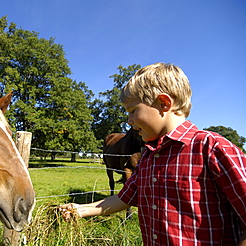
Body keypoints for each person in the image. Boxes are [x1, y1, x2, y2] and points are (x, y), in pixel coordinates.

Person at [59, 63, 246, 245]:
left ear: (163, 103)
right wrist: (80, 209)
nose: (129, 121)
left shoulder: (212, 148)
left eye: (133, 111)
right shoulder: (148, 156)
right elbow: (125, 198)